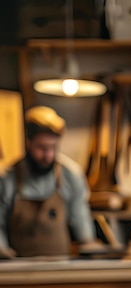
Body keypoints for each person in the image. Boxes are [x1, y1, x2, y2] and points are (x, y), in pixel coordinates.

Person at [0, 106, 98, 259]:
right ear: (28, 142)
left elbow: (81, 219)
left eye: (53, 147)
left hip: (60, 271)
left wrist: (89, 245)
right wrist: (3, 252)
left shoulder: (71, 175)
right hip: (19, 271)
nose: (48, 155)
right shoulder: (7, 178)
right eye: (42, 148)